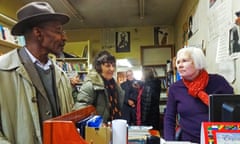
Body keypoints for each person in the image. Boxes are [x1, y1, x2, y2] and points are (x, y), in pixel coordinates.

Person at [0, 2, 77, 144]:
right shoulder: (3, 72)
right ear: (38, 33)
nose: (64, 37)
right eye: (59, 30)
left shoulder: (62, 75)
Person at [164, 47, 234, 143]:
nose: (179, 65)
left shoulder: (218, 82)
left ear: (197, 62)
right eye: (178, 62)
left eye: (184, 61)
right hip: (189, 140)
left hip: (219, 139)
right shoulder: (175, 89)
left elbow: (233, 112)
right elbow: (169, 117)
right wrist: (170, 141)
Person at [74, 50, 125, 123]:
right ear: (99, 67)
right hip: (97, 131)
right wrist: (97, 124)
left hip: (112, 127)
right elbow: (80, 111)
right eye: (108, 65)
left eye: (113, 65)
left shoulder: (114, 85)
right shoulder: (91, 85)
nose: (112, 69)